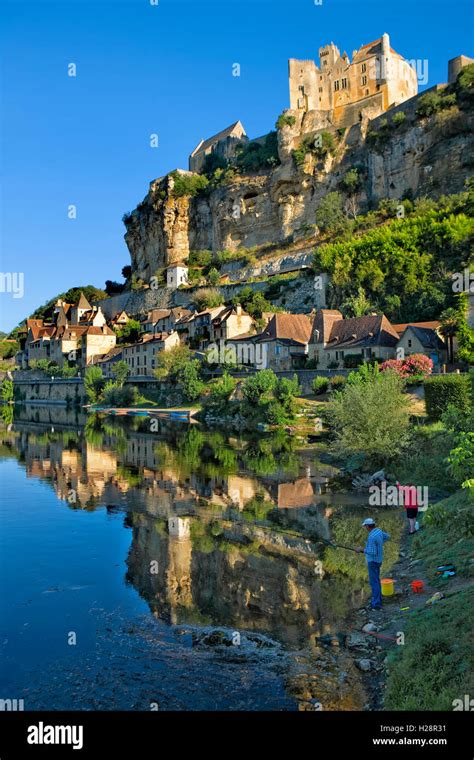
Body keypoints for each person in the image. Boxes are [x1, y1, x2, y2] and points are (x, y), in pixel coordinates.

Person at [356, 518, 390, 610]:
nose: (364, 528)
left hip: (373, 562)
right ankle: (378, 599)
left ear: (367, 526)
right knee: (376, 580)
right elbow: (387, 537)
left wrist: (361, 549)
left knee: (374, 582)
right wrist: (379, 544)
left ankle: (376, 604)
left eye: (365, 526)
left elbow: (372, 552)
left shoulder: (371, 537)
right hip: (379, 560)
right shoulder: (378, 531)